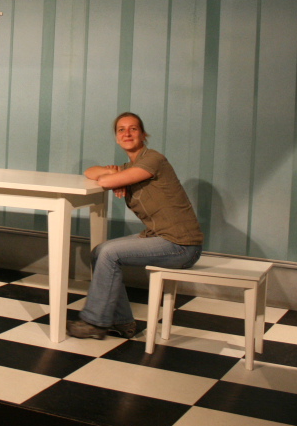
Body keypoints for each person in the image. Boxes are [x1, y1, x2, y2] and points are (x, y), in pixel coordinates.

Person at [68, 112, 203, 339]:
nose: (127, 133)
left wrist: (114, 177)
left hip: (182, 245)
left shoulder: (153, 159)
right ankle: (122, 322)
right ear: (116, 137)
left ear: (143, 134)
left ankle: (95, 323)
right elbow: (90, 172)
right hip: (159, 237)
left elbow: (105, 182)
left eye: (133, 129)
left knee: (109, 253)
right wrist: (114, 172)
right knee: (99, 251)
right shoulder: (131, 166)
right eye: (121, 130)